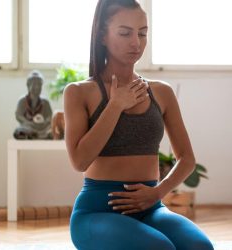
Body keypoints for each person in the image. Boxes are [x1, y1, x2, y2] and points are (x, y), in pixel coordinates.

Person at [63, 0, 214, 249]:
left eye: (142, 33)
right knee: (159, 248)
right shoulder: (80, 92)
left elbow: (187, 158)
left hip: (151, 207)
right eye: (125, 33)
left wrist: (158, 192)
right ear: (102, 35)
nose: (136, 42)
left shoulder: (161, 92)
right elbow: (79, 161)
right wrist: (115, 106)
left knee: (200, 247)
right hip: (98, 211)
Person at [14, 70, 53, 139]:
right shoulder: (22, 101)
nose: (37, 87)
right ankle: (34, 135)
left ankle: (40, 135)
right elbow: (19, 115)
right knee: (19, 131)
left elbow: (50, 117)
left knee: (52, 130)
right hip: (29, 126)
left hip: (43, 127)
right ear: (28, 86)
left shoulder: (45, 102)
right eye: (34, 84)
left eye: (39, 85)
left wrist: (44, 123)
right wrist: (28, 122)